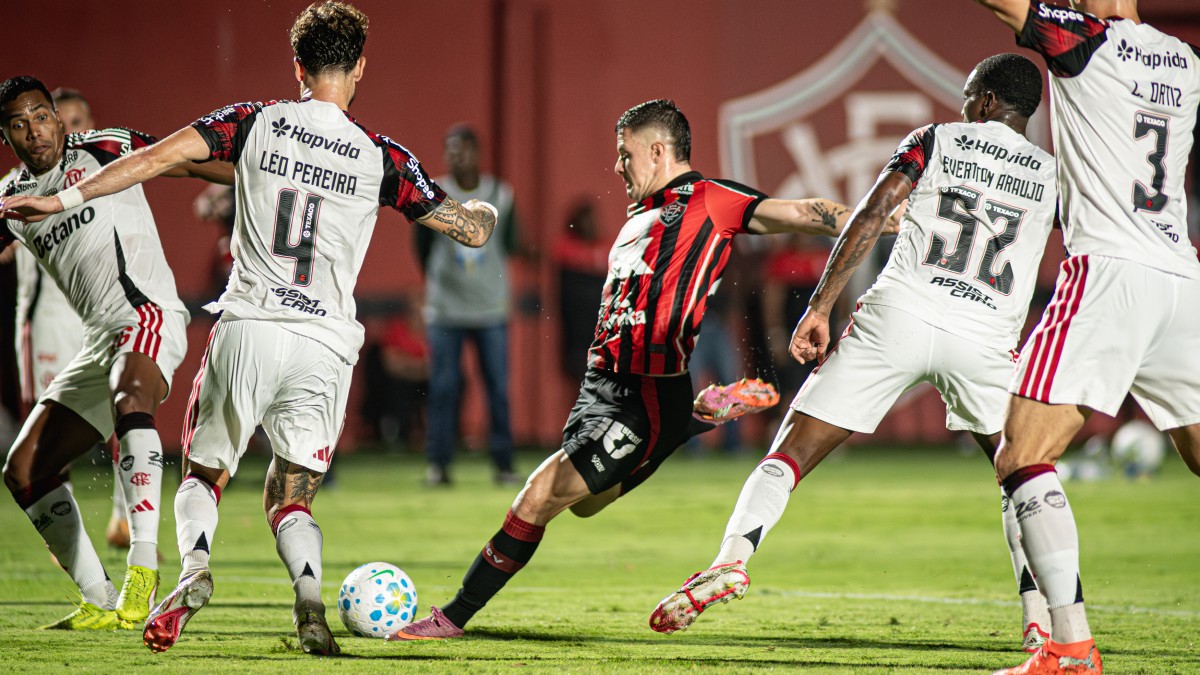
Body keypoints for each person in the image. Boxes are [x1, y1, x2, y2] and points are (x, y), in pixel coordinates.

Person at [1, 0, 497, 655]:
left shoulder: (253, 121)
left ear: (296, 66)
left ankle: (194, 570)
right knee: (292, 498)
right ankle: (310, 598)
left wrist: (64, 196)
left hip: (250, 327)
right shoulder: (383, 157)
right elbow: (469, 229)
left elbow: (155, 158)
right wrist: (483, 211)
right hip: (325, 343)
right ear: (359, 68)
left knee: (203, 476)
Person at [389, 98, 895, 641]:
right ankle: (694, 419)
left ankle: (453, 617)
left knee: (538, 495)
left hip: (643, 396)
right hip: (600, 388)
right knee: (583, 505)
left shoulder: (711, 199)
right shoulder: (639, 217)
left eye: (624, 154)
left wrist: (886, 218)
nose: (617, 166)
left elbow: (805, 212)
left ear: (657, 151)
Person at [649, 53, 1060, 655]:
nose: (963, 105)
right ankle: (1042, 623)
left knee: (790, 453)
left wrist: (819, 307)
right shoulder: (1052, 175)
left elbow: (871, 213)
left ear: (989, 101)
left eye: (970, 94)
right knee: (1022, 477)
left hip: (900, 315)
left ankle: (730, 561)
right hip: (986, 335)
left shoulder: (936, 139)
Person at [972, 2, 1200, 673]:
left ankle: (1070, 648)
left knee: (1022, 453)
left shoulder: (1084, 39)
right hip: (1180, 276)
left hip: (1108, 273)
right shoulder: (1186, 61)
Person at [0, 75, 231, 630]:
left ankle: (143, 568)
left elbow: (192, 163)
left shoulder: (105, 147)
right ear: (6, 136)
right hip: (98, 341)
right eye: (18, 124)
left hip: (148, 315)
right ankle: (99, 597)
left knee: (131, 397)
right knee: (24, 470)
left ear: (58, 117)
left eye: (41, 116)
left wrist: (259, 184)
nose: (34, 131)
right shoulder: (9, 198)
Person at [415, 125, 521, 486]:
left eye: (461, 150)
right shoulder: (432, 191)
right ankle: (439, 465)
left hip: (491, 307)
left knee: (498, 389)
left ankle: (503, 464)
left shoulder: (502, 194)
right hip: (445, 309)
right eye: (450, 151)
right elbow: (422, 246)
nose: (454, 158)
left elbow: (510, 243)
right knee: (443, 388)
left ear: (477, 153)